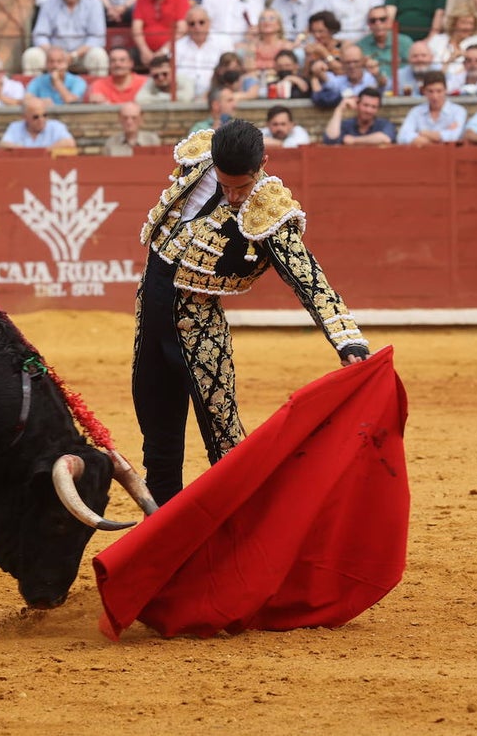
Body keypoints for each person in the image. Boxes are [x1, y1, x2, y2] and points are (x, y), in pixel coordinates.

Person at [133, 119, 370, 504]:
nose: (232, 195)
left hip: (199, 331)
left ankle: (244, 531)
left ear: (262, 164)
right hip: (150, 317)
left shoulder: (268, 209)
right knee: (157, 441)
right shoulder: (198, 162)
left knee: (224, 442)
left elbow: (309, 279)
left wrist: (348, 340)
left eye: (240, 187)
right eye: (225, 184)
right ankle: (160, 530)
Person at [23, 0, 109, 76]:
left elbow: (97, 37)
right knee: (31, 56)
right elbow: (40, 35)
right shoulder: (49, 4)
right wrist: (53, 52)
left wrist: (74, 55)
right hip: (53, 55)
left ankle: (99, 87)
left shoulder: (94, 3)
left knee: (99, 56)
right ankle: (34, 87)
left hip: (81, 54)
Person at [166, 4, 229, 99]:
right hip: (184, 95)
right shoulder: (178, 46)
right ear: (187, 26)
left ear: (209, 23)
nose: (197, 27)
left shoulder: (223, 41)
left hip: (216, 93)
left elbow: (230, 70)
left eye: (201, 22)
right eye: (192, 24)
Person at [130, 0, 191, 66]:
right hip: (144, 51)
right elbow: (136, 28)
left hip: (171, 49)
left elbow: (182, 29)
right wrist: (144, 50)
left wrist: (163, 51)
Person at [397, 70, 467, 145]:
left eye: (439, 91)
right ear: (424, 91)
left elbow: (454, 136)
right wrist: (438, 138)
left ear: (445, 90)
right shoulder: (416, 111)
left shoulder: (458, 111)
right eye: (430, 91)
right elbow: (402, 136)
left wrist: (423, 133)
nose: (435, 96)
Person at [356, 5, 412, 85]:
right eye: (373, 20)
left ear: (389, 22)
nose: (378, 23)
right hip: (372, 86)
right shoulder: (360, 46)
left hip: (401, 85)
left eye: (382, 19)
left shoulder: (405, 42)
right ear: (368, 24)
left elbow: (412, 68)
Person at [311, 43, 383, 106]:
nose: (352, 66)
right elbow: (327, 81)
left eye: (356, 62)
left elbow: (383, 84)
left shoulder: (372, 78)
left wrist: (378, 75)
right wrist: (318, 71)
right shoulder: (340, 81)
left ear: (363, 61)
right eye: (348, 62)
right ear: (342, 64)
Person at [322, 87, 396, 145]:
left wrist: (354, 140)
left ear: (378, 109)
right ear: (357, 104)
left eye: (374, 107)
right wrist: (339, 110)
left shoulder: (384, 124)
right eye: (365, 105)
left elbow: (385, 139)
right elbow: (330, 140)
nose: (368, 110)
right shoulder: (347, 125)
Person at [0, 96, 77, 150]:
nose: (41, 120)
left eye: (44, 115)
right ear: (25, 117)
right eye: (36, 117)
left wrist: (43, 151)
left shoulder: (56, 126)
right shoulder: (15, 127)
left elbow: (70, 142)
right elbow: (2, 144)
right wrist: (24, 150)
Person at [428, 4, 477, 78]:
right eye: (464, 22)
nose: (468, 27)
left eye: (471, 24)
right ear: (454, 23)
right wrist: (451, 59)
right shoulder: (437, 40)